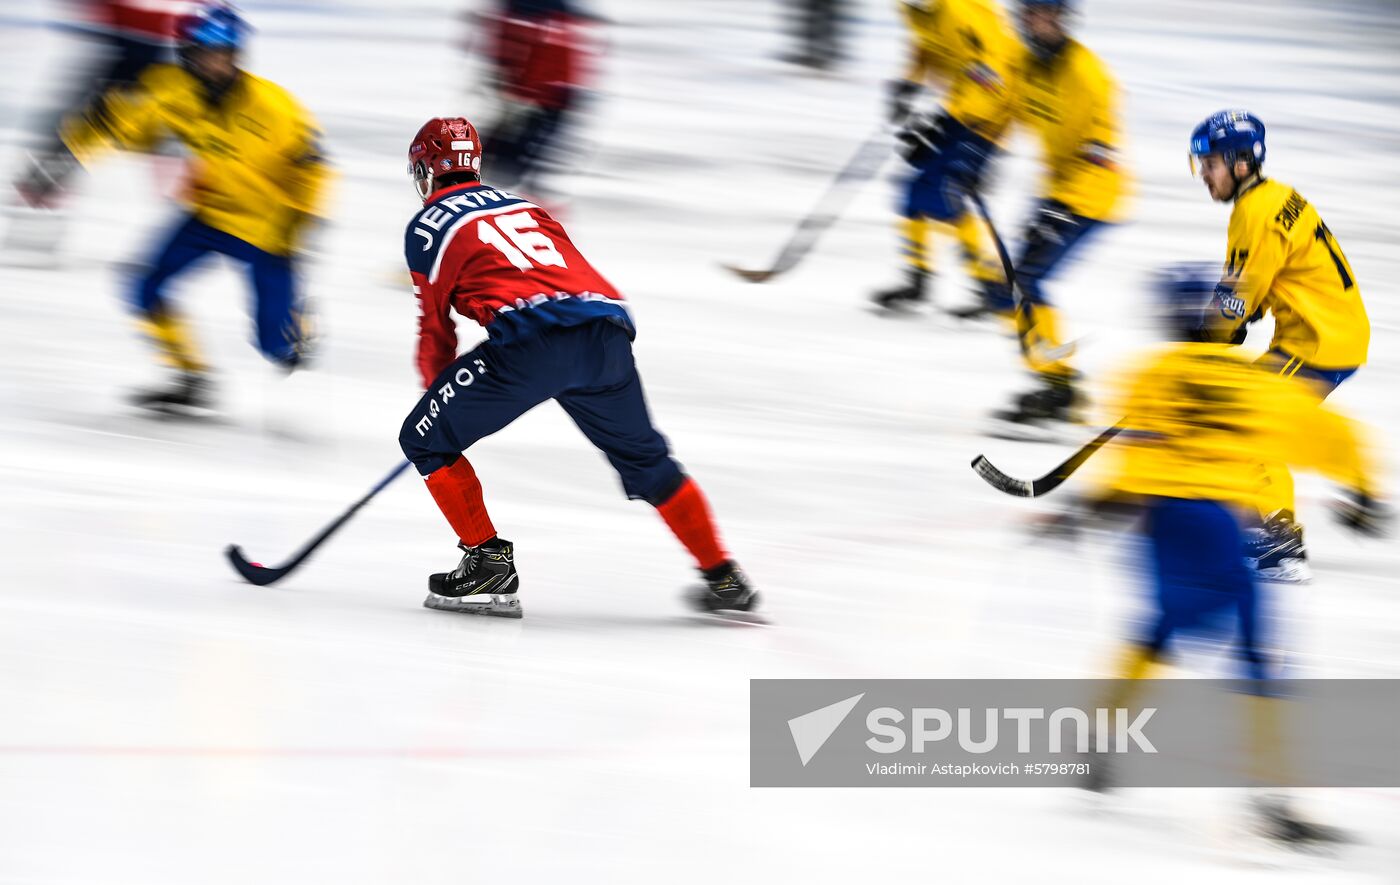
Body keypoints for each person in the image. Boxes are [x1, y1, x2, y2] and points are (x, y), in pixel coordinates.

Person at [1072, 264, 1387, 847]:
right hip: (1220, 520)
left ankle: (1099, 736)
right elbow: (1337, 438)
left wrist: (1094, 507)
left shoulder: (1145, 373)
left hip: (1159, 522)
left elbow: (1132, 463)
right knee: (1257, 647)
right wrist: (1365, 494)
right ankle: (1270, 798)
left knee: (1163, 625)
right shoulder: (1262, 383)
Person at [397, 117, 757, 619]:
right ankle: (723, 576)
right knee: (649, 463)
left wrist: (435, 409)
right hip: (604, 332)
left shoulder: (430, 223)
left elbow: (436, 332)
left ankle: (487, 563)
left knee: (422, 438)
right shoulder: (525, 205)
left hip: (532, 342)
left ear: (428, 170)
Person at [20, 4, 331, 413]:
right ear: (186, 54)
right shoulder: (168, 87)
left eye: (224, 54)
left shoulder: (274, 106)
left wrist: (304, 223)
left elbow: (313, 168)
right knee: (145, 287)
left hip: (267, 231)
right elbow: (113, 122)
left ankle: (298, 326)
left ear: (238, 56)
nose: (215, 64)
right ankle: (191, 377)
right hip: (209, 213)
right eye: (204, 54)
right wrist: (68, 157)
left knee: (276, 348)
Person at [1189, 110, 1370, 581]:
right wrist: (1232, 319)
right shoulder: (1276, 197)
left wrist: (1212, 334)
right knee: (1245, 413)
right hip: (1328, 329)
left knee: (1247, 420)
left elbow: (1238, 296)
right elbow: (1266, 281)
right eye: (1200, 165)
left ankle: (1279, 545)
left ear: (1242, 164)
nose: (1204, 175)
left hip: (1319, 342)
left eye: (1211, 165)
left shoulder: (1255, 214)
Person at [973, 0, 1128, 439]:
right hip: (1056, 194)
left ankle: (1061, 386)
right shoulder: (1026, 64)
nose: (1038, 24)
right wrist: (970, 153)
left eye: (1048, 16)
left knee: (1026, 282)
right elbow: (1004, 111)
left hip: (1094, 197)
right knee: (1002, 286)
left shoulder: (1088, 76)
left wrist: (1063, 207)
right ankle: (1052, 380)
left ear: (1062, 20)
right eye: (1031, 16)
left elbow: (1102, 153)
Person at [870, 0, 1017, 312]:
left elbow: (993, 82)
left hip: (993, 114)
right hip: (962, 107)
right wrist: (908, 86)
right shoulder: (915, 9)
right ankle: (918, 277)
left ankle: (988, 284)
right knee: (914, 189)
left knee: (946, 192)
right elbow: (925, 46)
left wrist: (940, 126)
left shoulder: (961, 15)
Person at [473, 0, 598, 195]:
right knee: (495, 165)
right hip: (538, 100)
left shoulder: (548, 18)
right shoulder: (542, 16)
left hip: (545, 102)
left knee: (506, 169)